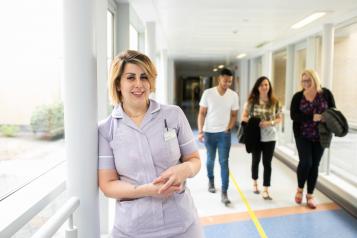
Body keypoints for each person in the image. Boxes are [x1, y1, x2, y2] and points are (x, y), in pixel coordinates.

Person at [98, 50, 204, 238]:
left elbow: (194, 159)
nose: (139, 84)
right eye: (131, 77)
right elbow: (108, 185)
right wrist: (147, 190)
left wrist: (184, 169)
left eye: (144, 77)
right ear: (118, 84)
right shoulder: (106, 129)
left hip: (182, 224)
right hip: (133, 230)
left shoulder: (174, 115)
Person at [290, 69, 335, 209]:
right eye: (304, 80)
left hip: (321, 135)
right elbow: (293, 115)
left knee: (315, 164)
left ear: (315, 79)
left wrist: (324, 117)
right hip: (303, 135)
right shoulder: (298, 96)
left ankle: (310, 195)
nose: (306, 83)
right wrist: (311, 117)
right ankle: (299, 189)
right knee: (306, 162)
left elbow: (333, 111)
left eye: (309, 80)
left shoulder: (326, 94)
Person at [197, 68, 239, 206]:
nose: (227, 83)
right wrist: (200, 131)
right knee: (210, 160)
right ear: (219, 79)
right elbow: (202, 113)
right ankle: (211, 180)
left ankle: (225, 192)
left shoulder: (233, 95)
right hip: (209, 132)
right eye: (225, 80)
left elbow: (234, 115)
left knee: (224, 162)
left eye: (230, 81)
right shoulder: (208, 93)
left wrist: (228, 128)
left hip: (224, 134)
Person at [241, 76, 282, 200]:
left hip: (270, 137)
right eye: (262, 85)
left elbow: (280, 118)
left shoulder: (275, 102)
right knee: (256, 160)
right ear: (257, 87)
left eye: (267, 84)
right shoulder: (251, 102)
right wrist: (255, 122)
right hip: (256, 136)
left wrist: (269, 123)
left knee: (267, 163)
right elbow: (243, 118)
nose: (265, 87)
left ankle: (266, 189)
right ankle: (254, 182)